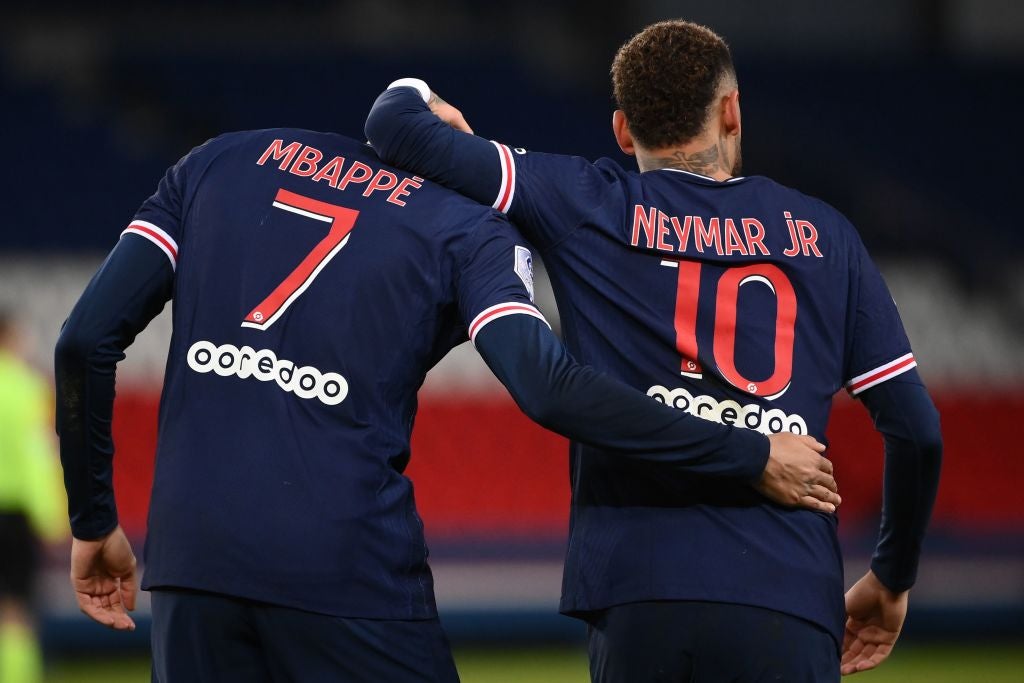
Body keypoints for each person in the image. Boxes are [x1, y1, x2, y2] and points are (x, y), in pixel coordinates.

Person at [54, 125, 839, 682]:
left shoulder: (220, 162)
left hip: (192, 563)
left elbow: (84, 341)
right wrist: (750, 451)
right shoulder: (469, 229)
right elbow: (548, 385)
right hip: (347, 570)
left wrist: (93, 520)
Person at [365, 19, 943, 682]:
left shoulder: (583, 200)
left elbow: (394, 123)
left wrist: (427, 99)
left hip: (638, 589)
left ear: (621, 129)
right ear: (731, 110)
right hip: (787, 591)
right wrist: (891, 578)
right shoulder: (826, 235)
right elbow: (917, 430)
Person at [0, 311, 67, 683]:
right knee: (14, 610)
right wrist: (52, 516)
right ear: (9, 337)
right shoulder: (26, 387)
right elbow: (36, 455)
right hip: (13, 514)